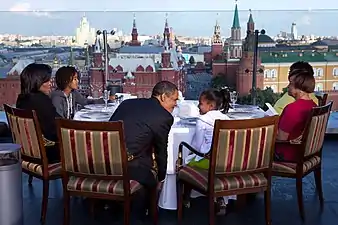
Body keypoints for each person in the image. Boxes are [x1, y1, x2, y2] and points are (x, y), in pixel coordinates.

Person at [109, 81, 178, 222]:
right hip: (126, 168)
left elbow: (110, 129)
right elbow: (161, 149)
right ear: (163, 97)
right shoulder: (164, 117)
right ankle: (148, 214)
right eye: (174, 99)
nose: (175, 104)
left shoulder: (126, 104)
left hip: (103, 162)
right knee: (151, 177)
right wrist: (162, 175)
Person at [184, 88, 235, 214]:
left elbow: (197, 145)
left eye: (201, 103)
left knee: (186, 163)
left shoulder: (203, 120)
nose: (198, 106)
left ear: (210, 106)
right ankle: (221, 199)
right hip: (225, 162)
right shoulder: (226, 119)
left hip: (208, 161)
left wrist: (188, 154)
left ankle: (186, 198)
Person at [16, 63, 60, 163]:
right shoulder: (41, 101)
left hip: (31, 152)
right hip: (49, 153)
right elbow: (56, 127)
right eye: (47, 80)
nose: (51, 84)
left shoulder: (22, 99)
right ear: (37, 81)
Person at [275, 66, 317, 162]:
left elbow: (281, 138)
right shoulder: (313, 105)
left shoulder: (292, 108)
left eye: (291, 83)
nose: (288, 86)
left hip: (287, 154)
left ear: (299, 88)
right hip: (306, 153)